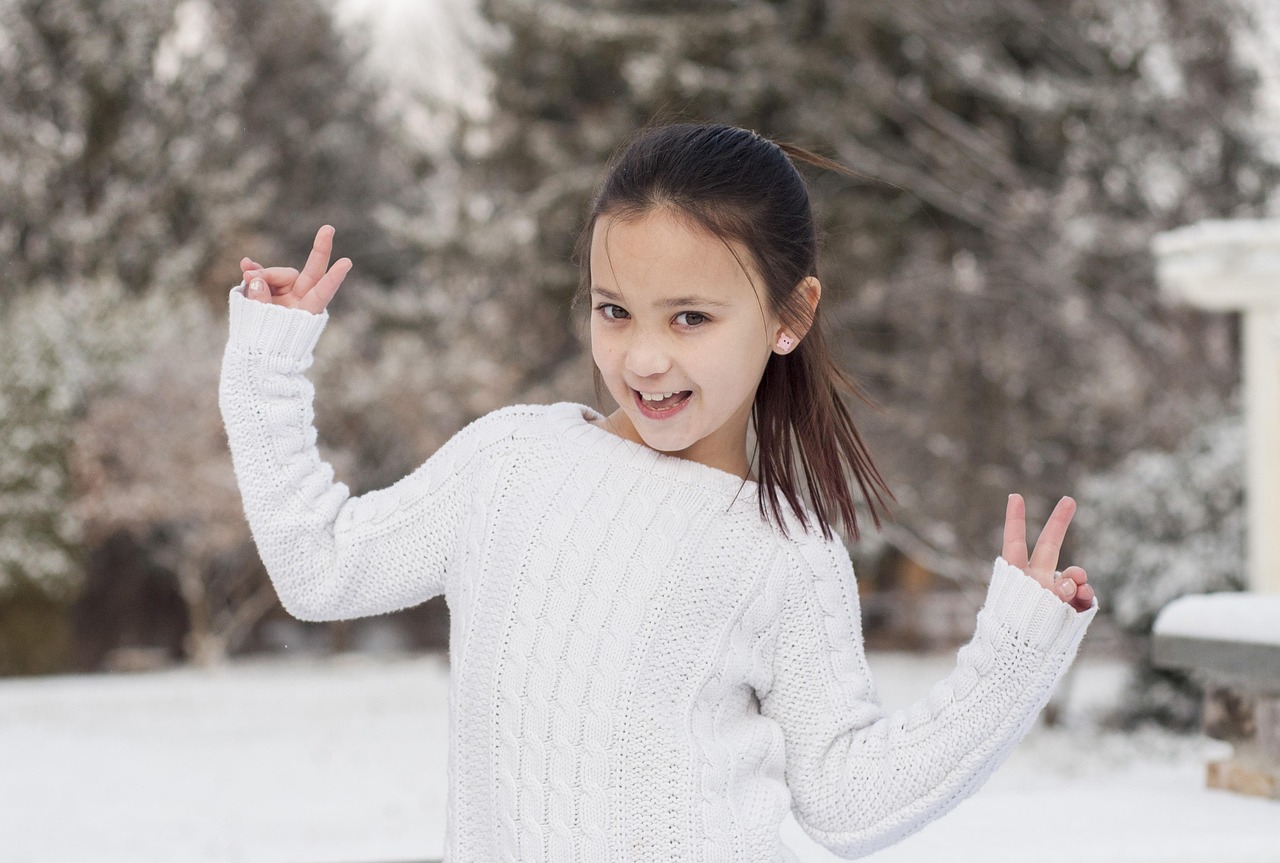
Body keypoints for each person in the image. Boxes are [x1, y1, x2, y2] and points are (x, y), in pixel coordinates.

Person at [219, 123, 1097, 862]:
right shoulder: (512, 461)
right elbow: (320, 567)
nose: (643, 358)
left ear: (790, 316)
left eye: (690, 317)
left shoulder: (785, 552)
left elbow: (846, 800)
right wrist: (267, 367)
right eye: (615, 310)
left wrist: (1014, 655)